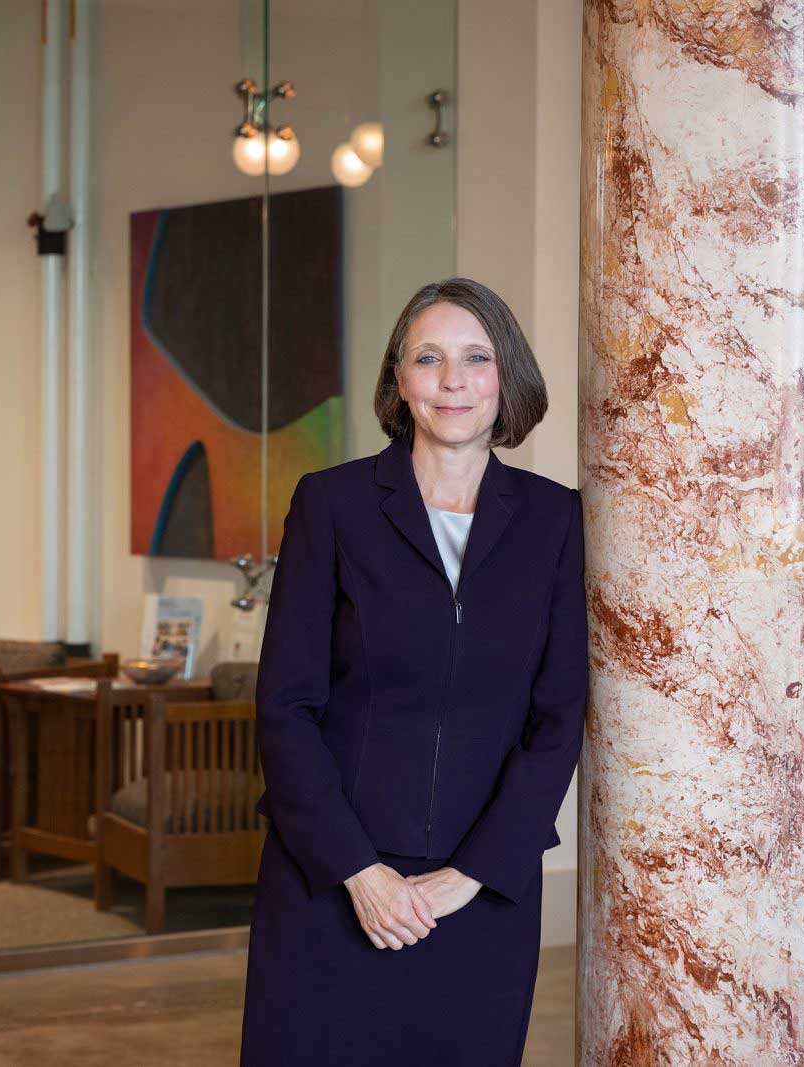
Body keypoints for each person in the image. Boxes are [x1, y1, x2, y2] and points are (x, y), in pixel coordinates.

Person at [239, 278, 588, 1065]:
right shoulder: (331, 505)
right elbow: (285, 705)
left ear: (509, 379)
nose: (453, 379)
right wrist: (361, 873)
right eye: (428, 358)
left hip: (481, 893)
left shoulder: (556, 520)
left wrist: (473, 872)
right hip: (332, 881)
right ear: (400, 380)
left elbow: (559, 716)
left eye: (476, 357)